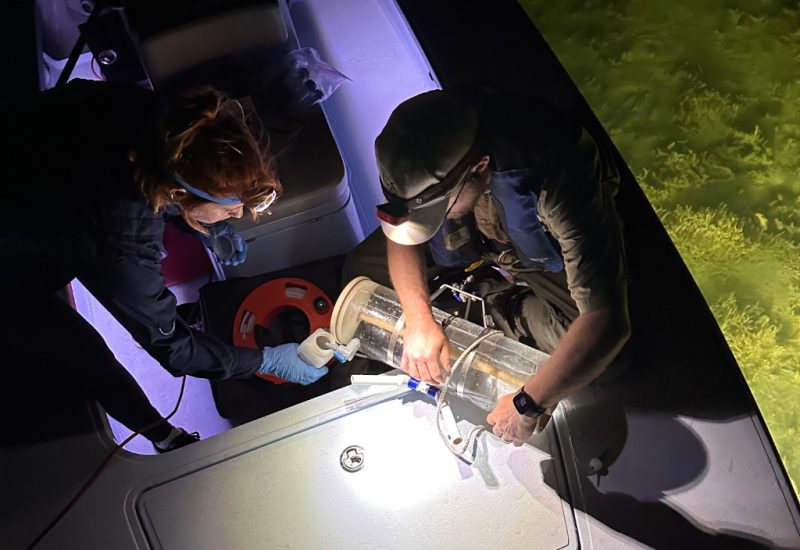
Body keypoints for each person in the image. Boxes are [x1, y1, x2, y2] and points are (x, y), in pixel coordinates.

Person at [0, 78, 327, 452]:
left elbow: (156, 177)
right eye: (230, 208)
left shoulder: (162, 120)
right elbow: (173, 347)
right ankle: (164, 436)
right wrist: (264, 360)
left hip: (24, 143)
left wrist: (206, 223)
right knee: (82, 354)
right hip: (17, 239)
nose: (239, 215)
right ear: (177, 194)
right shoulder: (125, 238)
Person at [342, 86, 631, 446]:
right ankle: (456, 299)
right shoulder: (418, 144)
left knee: (600, 360)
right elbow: (402, 236)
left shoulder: (559, 175)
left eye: (436, 211)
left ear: (479, 168)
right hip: (474, 224)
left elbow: (607, 322)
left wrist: (528, 404)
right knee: (363, 268)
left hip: (537, 252)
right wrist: (418, 320)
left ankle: (497, 303)